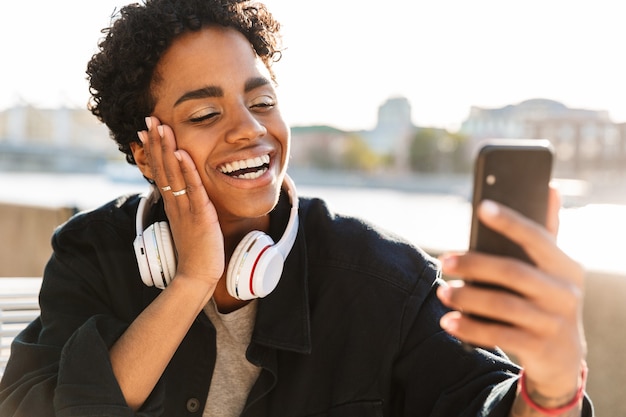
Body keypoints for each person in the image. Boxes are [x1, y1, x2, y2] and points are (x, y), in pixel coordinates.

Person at [0, 0, 592, 416]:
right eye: (206, 114)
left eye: (261, 101)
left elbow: (485, 404)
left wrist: (553, 385)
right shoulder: (91, 254)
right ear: (148, 156)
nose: (250, 130)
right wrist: (190, 283)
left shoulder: (388, 281)